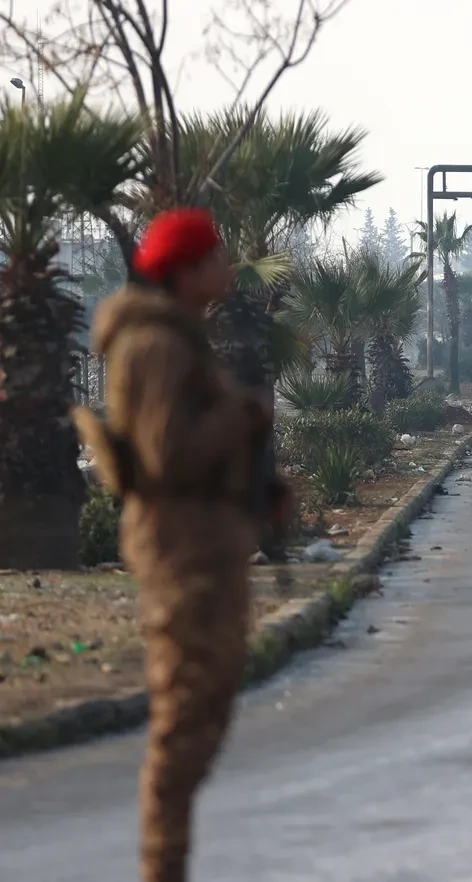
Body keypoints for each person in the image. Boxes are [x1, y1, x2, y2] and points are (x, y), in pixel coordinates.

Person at [71, 208, 293, 882]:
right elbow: (168, 456)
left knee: (206, 706)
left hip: (205, 545)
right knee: (185, 716)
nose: (229, 269)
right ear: (186, 271)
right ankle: (161, 867)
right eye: (216, 257)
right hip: (182, 550)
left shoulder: (180, 340)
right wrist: (244, 413)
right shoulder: (156, 347)